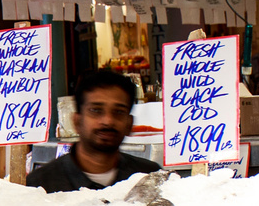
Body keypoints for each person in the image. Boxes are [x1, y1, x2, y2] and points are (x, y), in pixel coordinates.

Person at [26, 70, 159, 193]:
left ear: (129, 124)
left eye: (118, 112)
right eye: (96, 110)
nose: (108, 121)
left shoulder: (151, 179)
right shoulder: (40, 187)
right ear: (77, 121)